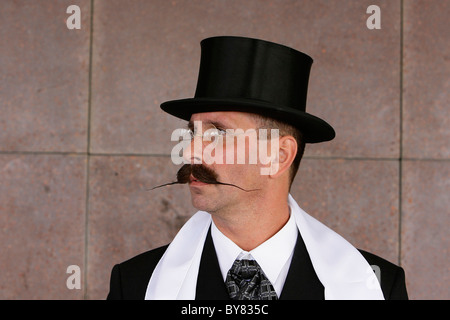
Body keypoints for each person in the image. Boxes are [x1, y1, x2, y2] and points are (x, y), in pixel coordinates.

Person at [107, 36, 408, 300]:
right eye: (193, 133)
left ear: (278, 156)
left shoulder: (374, 287)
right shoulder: (136, 284)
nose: (190, 151)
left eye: (217, 133)